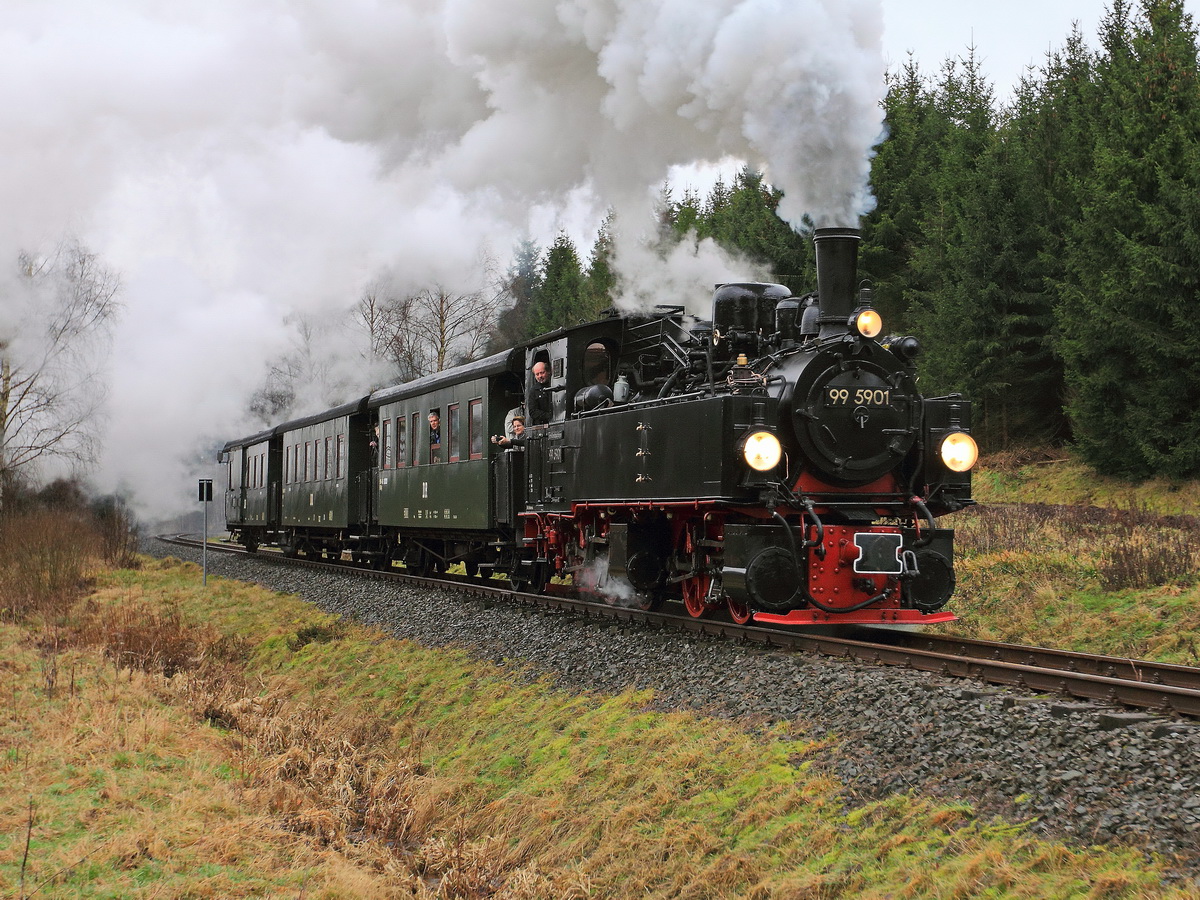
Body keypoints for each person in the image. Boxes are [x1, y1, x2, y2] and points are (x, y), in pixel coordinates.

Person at [529, 360, 553, 425]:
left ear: (548, 372)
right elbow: (533, 412)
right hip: (543, 424)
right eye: (537, 374)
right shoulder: (533, 390)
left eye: (542, 373)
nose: (540, 376)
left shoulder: (554, 385)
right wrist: (548, 416)